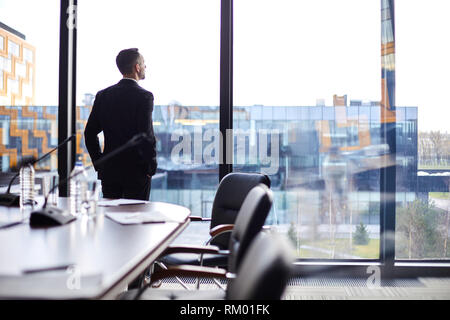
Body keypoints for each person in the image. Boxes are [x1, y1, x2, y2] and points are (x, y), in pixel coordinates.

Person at [84, 48, 157, 200]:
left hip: (109, 171)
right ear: (137, 67)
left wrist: (99, 162)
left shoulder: (103, 95)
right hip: (136, 173)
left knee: (111, 219)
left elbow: (89, 133)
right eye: (143, 64)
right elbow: (146, 136)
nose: (145, 67)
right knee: (136, 218)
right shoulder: (144, 96)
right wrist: (151, 167)